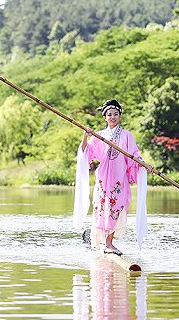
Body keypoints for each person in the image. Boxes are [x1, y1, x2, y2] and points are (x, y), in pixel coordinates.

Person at [73, 99, 148, 255]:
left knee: (117, 208)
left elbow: (135, 155)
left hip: (119, 179)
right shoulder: (99, 135)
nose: (112, 117)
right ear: (104, 117)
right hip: (103, 179)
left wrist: (143, 165)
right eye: (109, 114)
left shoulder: (127, 136)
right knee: (102, 208)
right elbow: (87, 152)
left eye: (115, 114)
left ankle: (109, 242)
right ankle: (104, 242)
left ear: (120, 116)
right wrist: (86, 137)